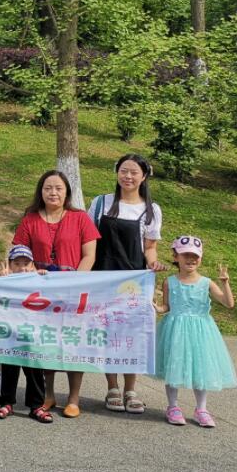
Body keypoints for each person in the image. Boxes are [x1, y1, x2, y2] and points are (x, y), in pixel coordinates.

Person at [6, 169, 100, 418]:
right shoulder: (30, 219)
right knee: (46, 342)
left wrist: (75, 281)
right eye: (48, 188)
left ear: (67, 192)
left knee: (72, 343)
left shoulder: (80, 218)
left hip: (73, 291)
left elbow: (89, 255)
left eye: (58, 188)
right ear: (41, 191)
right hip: (41, 293)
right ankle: (48, 395)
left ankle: (73, 398)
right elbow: (18, 252)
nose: (53, 192)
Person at [89, 153, 165, 415]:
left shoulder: (151, 209)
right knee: (108, 333)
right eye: (124, 171)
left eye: (134, 172)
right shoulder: (101, 203)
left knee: (132, 336)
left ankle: (131, 390)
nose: (128, 176)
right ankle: (112, 388)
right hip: (103, 278)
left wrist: (153, 263)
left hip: (134, 282)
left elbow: (150, 248)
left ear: (144, 176)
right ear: (117, 172)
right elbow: (89, 241)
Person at [155, 236, 237, 428]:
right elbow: (167, 306)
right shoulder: (169, 282)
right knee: (173, 365)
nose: (191, 259)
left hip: (201, 332)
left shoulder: (206, 283)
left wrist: (225, 283)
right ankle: (173, 406)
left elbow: (228, 303)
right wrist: (158, 308)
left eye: (195, 256)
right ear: (176, 257)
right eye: (186, 255)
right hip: (175, 329)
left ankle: (201, 409)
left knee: (201, 367)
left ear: (200, 258)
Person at [0, 245, 52, 424]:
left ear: (32, 265)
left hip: (32, 334)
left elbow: (53, 294)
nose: (22, 268)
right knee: (8, 368)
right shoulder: (5, 281)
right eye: (17, 263)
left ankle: (36, 406)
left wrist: (45, 277)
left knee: (35, 370)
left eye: (26, 263)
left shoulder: (39, 280)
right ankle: (6, 403)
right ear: (10, 265)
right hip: (10, 334)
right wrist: (1, 279)